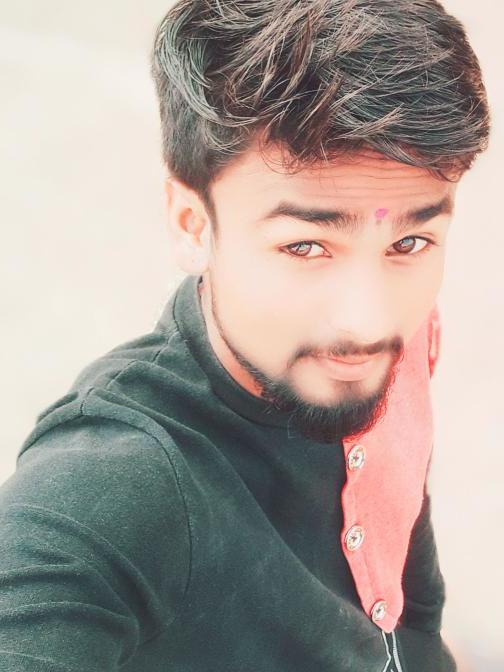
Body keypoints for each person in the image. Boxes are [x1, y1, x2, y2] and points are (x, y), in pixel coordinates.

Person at [0, 1, 490, 670]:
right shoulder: (114, 487)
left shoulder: (384, 351)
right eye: (306, 246)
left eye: (409, 243)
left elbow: (414, 609)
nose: (368, 323)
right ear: (192, 223)